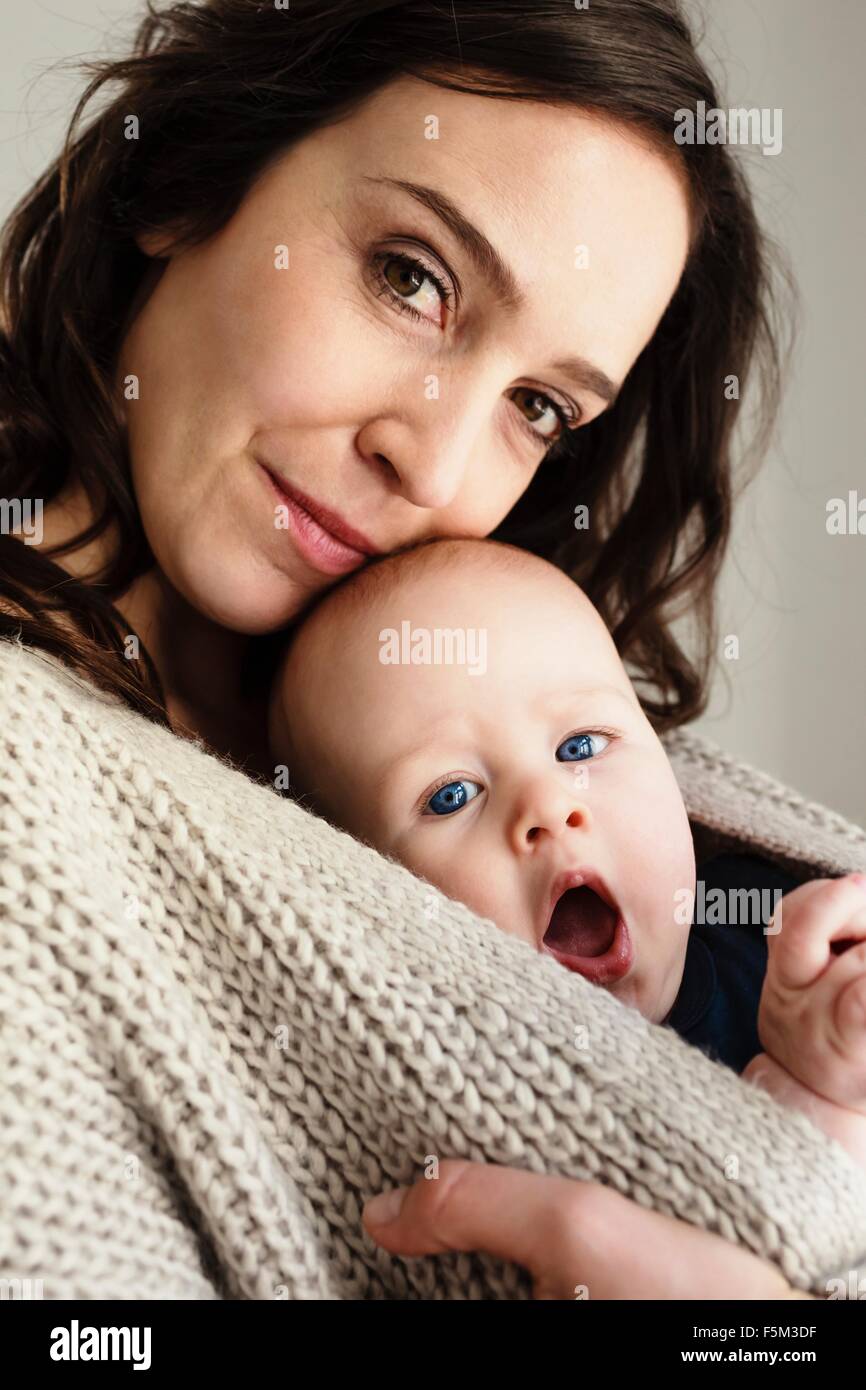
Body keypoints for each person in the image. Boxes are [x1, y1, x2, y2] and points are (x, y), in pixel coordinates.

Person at [0, 0, 810, 1297]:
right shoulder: (30, 791)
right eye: (411, 276)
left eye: (537, 405)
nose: (429, 462)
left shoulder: (490, 703)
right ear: (186, 175)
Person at [269, 535, 866, 1174]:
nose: (549, 808)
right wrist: (817, 1104)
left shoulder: (773, 926)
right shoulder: (462, 1116)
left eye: (580, 747)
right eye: (451, 796)